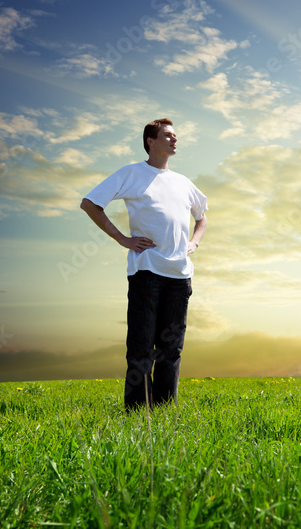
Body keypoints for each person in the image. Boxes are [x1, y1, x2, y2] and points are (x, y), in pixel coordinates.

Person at [80, 118, 208, 411]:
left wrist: (194, 242)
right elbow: (90, 203)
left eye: (176, 136)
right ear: (150, 141)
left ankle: (164, 410)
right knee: (141, 347)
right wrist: (122, 239)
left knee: (171, 349)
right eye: (167, 135)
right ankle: (137, 411)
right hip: (146, 272)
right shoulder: (132, 173)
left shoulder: (183, 182)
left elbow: (202, 216)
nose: (174, 140)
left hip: (179, 275)